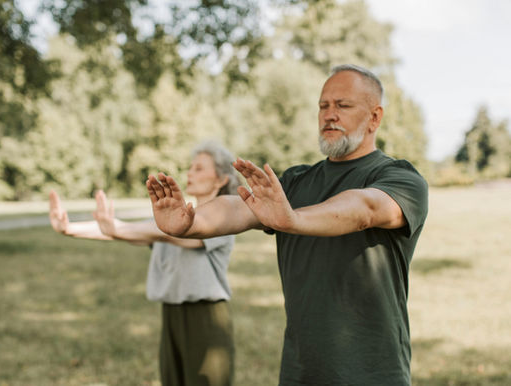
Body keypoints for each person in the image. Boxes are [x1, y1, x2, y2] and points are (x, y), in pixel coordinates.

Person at [145, 64, 429, 385]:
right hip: (300, 372)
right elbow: (239, 207)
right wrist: (190, 224)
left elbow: (364, 208)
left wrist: (294, 220)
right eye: (323, 106)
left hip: (373, 373)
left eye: (343, 105)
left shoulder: (401, 179)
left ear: (375, 117)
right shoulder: (296, 182)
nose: (329, 115)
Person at [49, 140, 240, 386]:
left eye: (200, 168)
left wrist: (118, 227)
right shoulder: (171, 219)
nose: (190, 172)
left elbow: (169, 234)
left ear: (221, 179)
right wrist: (69, 228)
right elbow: (137, 231)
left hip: (206, 317)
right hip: (171, 312)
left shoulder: (225, 217)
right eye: (190, 167)